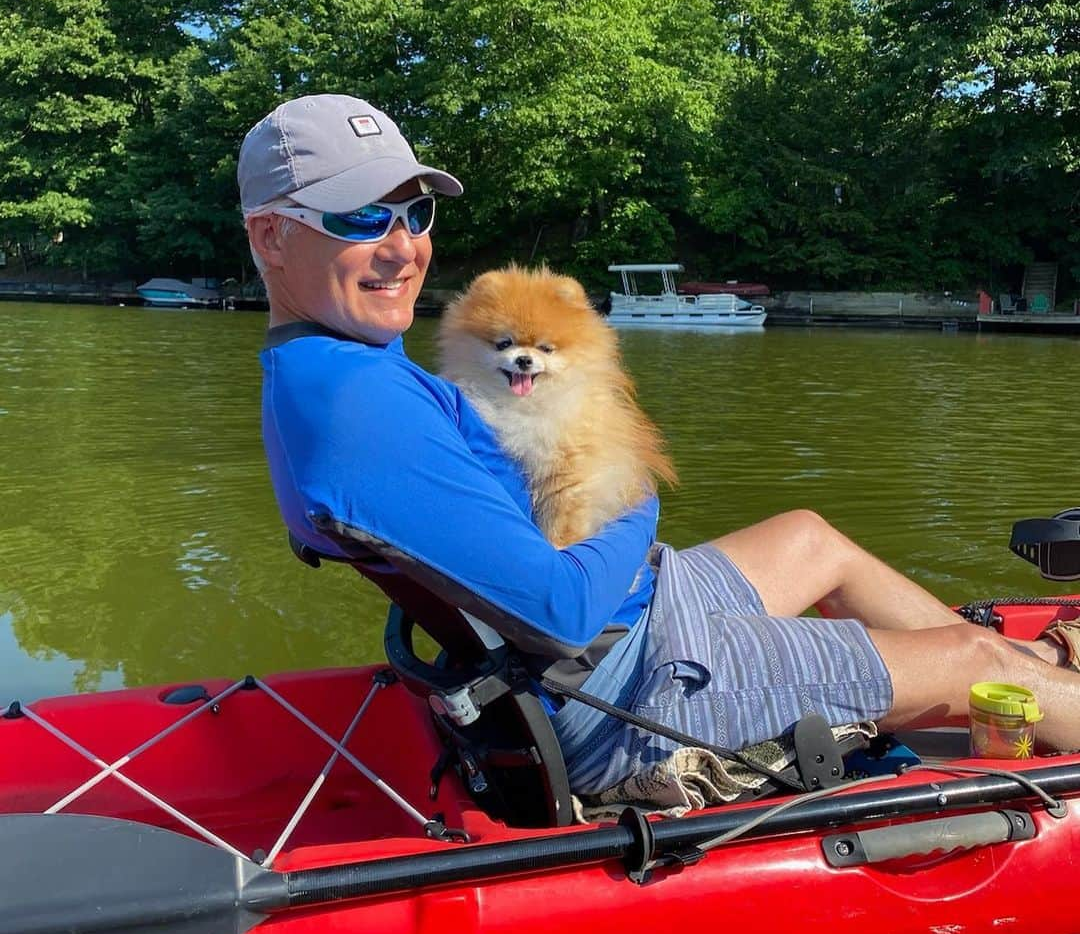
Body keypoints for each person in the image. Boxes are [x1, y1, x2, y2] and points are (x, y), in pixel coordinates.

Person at [241, 93, 1080, 797]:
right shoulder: (353, 405)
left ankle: (1014, 685)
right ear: (271, 235)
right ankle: (1013, 683)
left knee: (810, 538)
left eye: (414, 212)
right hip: (622, 684)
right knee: (973, 654)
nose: (404, 246)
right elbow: (561, 613)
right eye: (360, 217)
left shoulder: (346, 367)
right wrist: (636, 499)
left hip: (632, 616)